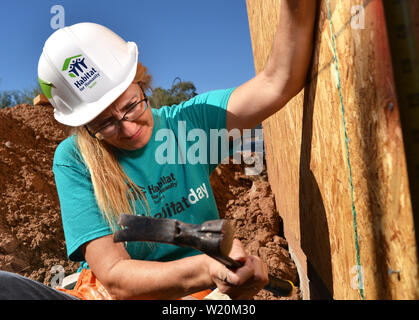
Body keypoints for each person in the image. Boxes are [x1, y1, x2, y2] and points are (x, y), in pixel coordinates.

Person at [0, 1, 316, 300]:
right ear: (84, 127)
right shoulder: (74, 160)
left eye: (131, 105)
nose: (128, 128)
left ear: (141, 81)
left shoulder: (189, 126)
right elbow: (115, 275)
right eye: (105, 123)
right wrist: (205, 267)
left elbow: (278, 82)